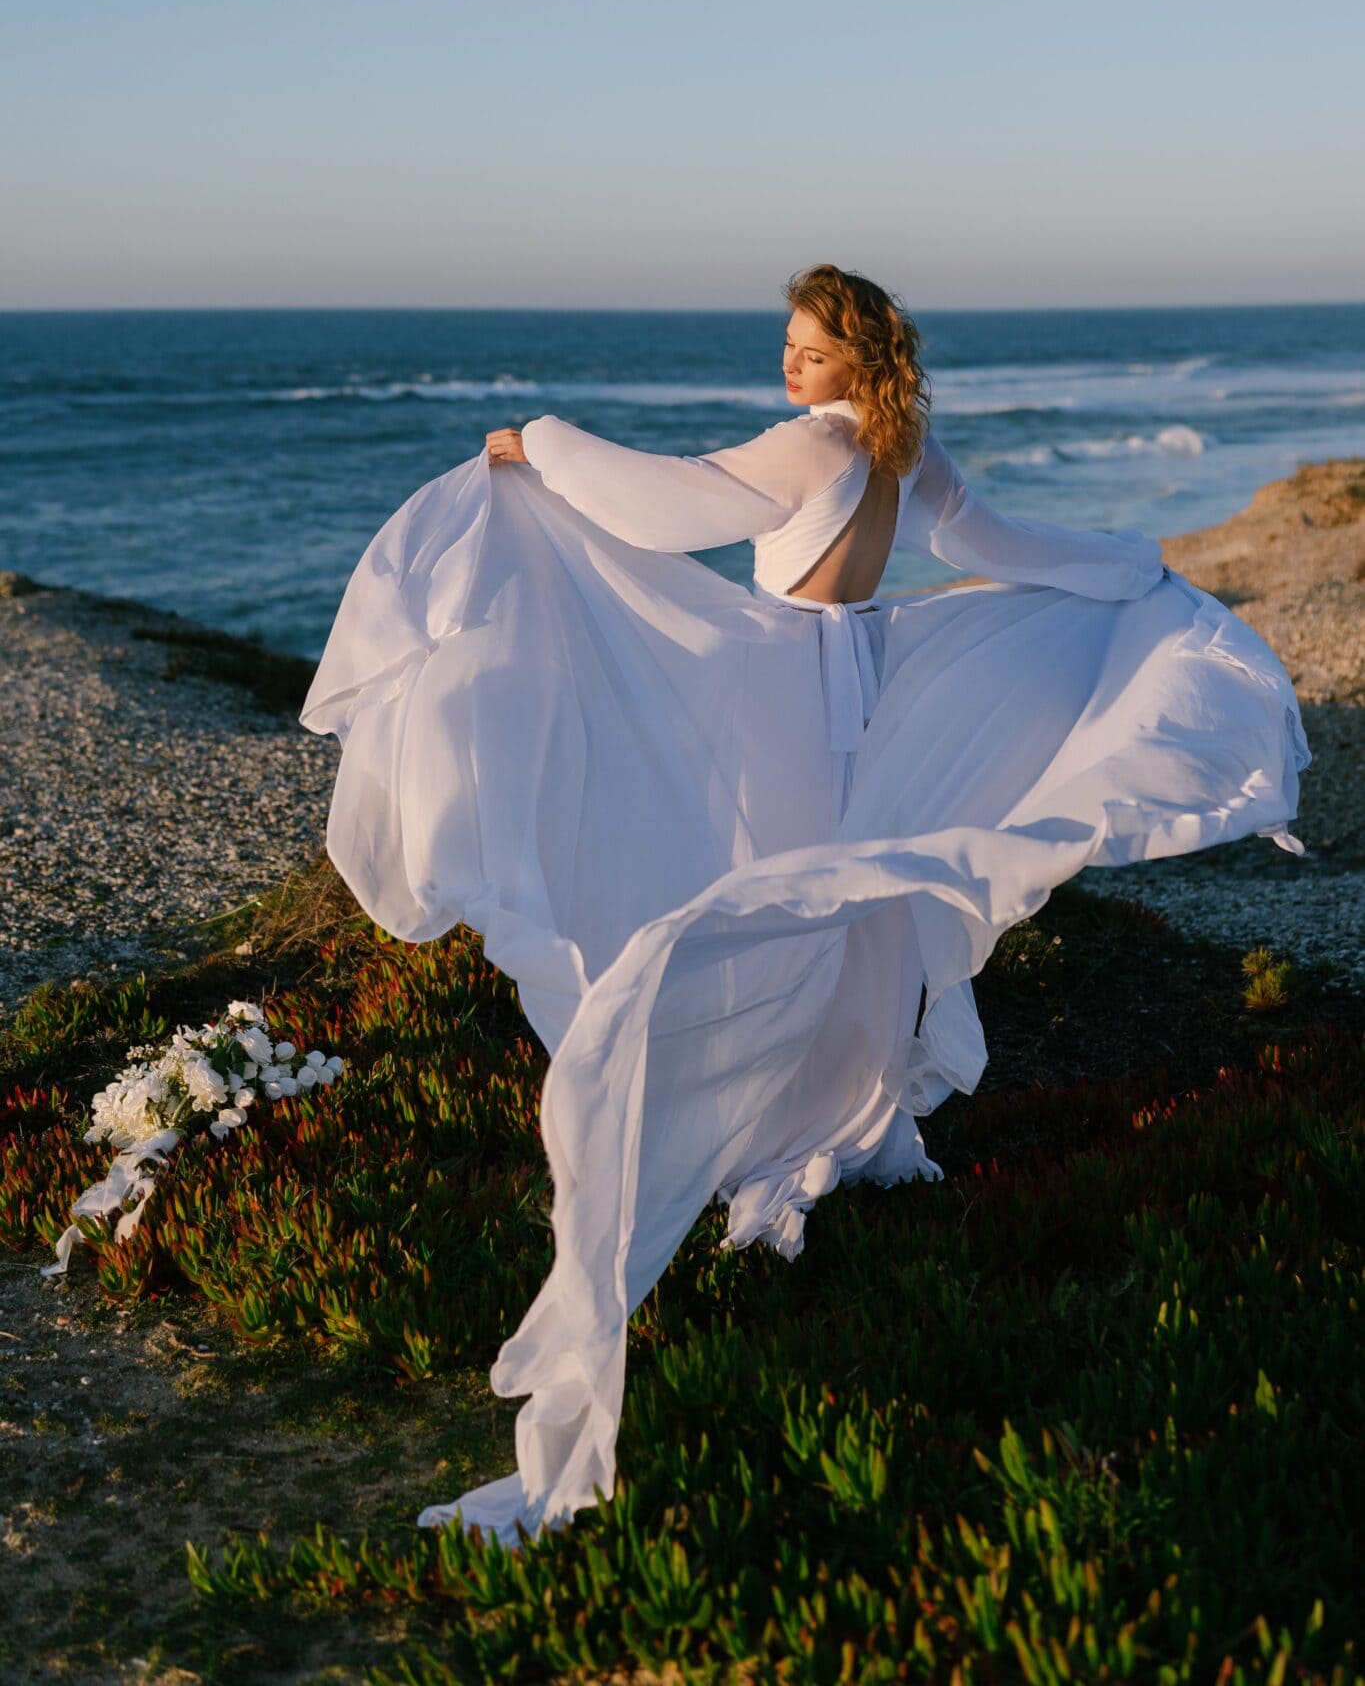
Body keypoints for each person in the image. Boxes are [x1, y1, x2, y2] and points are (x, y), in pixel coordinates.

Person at [298, 263, 1308, 1549]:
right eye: (787, 344)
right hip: (868, 687)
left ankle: (728, 1110)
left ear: (857, 356)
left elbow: (670, 506)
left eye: (813, 347)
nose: (792, 364)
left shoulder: (815, 443)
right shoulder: (899, 445)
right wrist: (1126, 567)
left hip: (782, 697)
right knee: (848, 912)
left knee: (758, 907)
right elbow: (992, 542)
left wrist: (536, 443)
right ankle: (833, 1117)